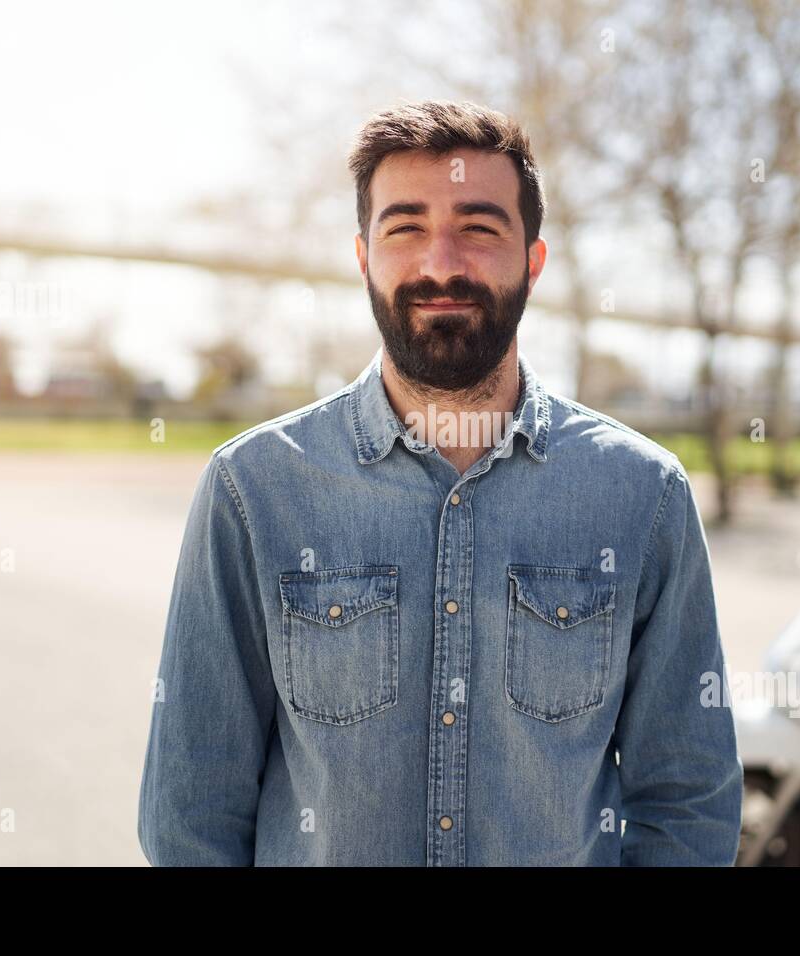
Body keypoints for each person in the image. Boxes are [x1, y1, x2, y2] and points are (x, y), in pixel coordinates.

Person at [137, 99, 742, 866]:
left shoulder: (643, 495)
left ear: (534, 259)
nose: (441, 263)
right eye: (406, 228)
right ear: (363, 255)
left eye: (480, 228)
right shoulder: (253, 491)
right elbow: (190, 816)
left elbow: (689, 801)